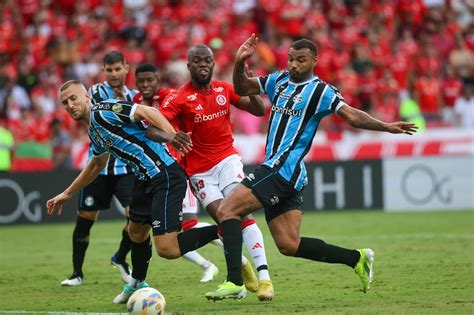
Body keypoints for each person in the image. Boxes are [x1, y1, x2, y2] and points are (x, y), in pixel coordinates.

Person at [205, 34, 418, 300]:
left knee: (226, 210)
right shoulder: (278, 80)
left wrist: (385, 126)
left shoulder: (321, 91)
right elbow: (244, 87)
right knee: (288, 244)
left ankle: (235, 280)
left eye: (301, 60)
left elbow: (351, 114)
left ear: (314, 61)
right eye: (291, 59)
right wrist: (239, 62)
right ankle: (357, 259)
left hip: (280, 170)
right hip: (289, 176)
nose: (294, 65)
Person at [47, 80, 219, 303]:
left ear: (87, 97)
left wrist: (172, 135)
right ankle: (137, 282)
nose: (70, 105)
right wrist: (68, 193)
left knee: (167, 249)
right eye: (65, 103)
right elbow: (96, 164)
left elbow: (146, 111)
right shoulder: (94, 130)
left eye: (73, 98)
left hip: (163, 175)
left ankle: (225, 229)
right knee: (135, 232)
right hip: (143, 180)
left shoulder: (104, 110)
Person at [158, 44, 274, 301]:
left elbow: (258, 110)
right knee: (225, 220)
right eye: (197, 61)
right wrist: (170, 135)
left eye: (207, 60)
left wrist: (251, 86)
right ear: (189, 66)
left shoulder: (224, 89)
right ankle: (241, 266)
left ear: (212, 64)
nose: (203, 64)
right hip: (199, 172)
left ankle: (265, 278)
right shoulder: (179, 97)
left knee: (240, 213)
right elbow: (153, 128)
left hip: (227, 161)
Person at [133, 63, 220, 283]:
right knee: (167, 232)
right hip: (155, 174)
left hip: (177, 169)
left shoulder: (172, 97)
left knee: (187, 224)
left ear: (158, 80)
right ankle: (210, 261)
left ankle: (230, 237)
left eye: (149, 80)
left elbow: (192, 122)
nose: (145, 85)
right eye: (141, 81)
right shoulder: (135, 104)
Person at [60, 51, 137, 286]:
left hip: (125, 168)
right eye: (109, 69)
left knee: (135, 218)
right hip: (99, 169)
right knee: (85, 220)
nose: (113, 74)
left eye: (117, 69)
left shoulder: (135, 96)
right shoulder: (94, 93)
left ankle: (121, 258)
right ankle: (77, 273)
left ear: (126, 68)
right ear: (104, 70)